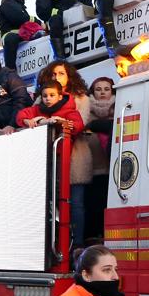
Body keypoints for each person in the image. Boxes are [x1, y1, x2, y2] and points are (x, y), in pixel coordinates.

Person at [38, 62, 93, 248]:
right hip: (48, 156)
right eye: (53, 74)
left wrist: (57, 121)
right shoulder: (41, 99)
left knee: (75, 203)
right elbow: (26, 118)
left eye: (61, 73)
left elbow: (81, 123)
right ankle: (52, 246)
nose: (56, 77)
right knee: (50, 204)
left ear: (69, 76)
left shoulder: (81, 98)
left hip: (74, 155)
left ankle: (76, 247)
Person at [85, 77, 116, 240]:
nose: (103, 92)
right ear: (92, 92)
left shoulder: (122, 109)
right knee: (93, 205)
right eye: (98, 89)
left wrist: (96, 126)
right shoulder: (85, 111)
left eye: (106, 89)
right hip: (92, 168)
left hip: (114, 170)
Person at [0, 0, 38, 70]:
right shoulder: (8, 4)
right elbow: (19, 18)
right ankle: (10, 71)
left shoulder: (16, 5)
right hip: (10, 35)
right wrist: (37, 21)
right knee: (11, 38)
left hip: (23, 34)